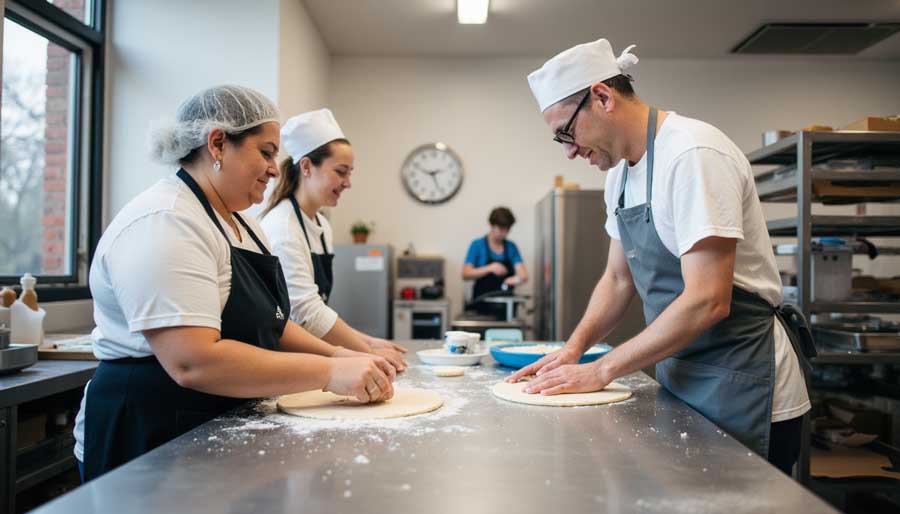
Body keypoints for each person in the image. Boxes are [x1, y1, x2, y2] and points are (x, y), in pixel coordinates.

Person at [510, 38, 815, 475]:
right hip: (682, 376)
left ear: (602, 97)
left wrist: (602, 370)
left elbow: (708, 300)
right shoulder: (619, 176)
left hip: (744, 383)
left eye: (566, 132)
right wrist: (573, 350)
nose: (569, 151)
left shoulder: (692, 154)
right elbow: (618, 279)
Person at [74, 86, 395, 482]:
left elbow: (272, 324)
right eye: (266, 152)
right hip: (150, 436)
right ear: (218, 144)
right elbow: (193, 361)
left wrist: (338, 354)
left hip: (211, 423)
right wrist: (329, 372)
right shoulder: (166, 221)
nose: (276, 169)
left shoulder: (242, 224)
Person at [259, 109, 407, 370]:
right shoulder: (282, 228)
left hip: (311, 354)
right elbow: (305, 312)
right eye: (341, 171)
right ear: (306, 166)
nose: (348, 183)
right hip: (285, 360)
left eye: (350, 173)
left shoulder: (321, 225)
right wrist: (367, 353)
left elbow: (319, 308)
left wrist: (370, 342)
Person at [461, 207, 528, 319]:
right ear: (492, 225)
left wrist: (516, 279)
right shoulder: (477, 245)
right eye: (501, 229)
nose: (504, 233)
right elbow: (465, 273)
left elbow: (524, 276)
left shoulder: (511, 247)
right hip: (481, 309)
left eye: (507, 229)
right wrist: (490, 268)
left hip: (506, 309)